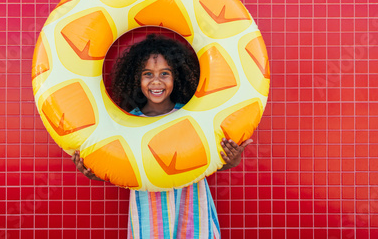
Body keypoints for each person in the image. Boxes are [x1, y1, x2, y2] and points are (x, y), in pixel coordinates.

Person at [72, 34, 253, 238]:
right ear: (137, 79)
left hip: (191, 212)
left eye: (165, 73)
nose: (156, 81)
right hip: (149, 217)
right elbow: (120, 165)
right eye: (147, 74)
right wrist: (98, 172)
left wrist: (232, 159)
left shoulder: (192, 117)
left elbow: (207, 159)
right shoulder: (126, 123)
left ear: (176, 77)